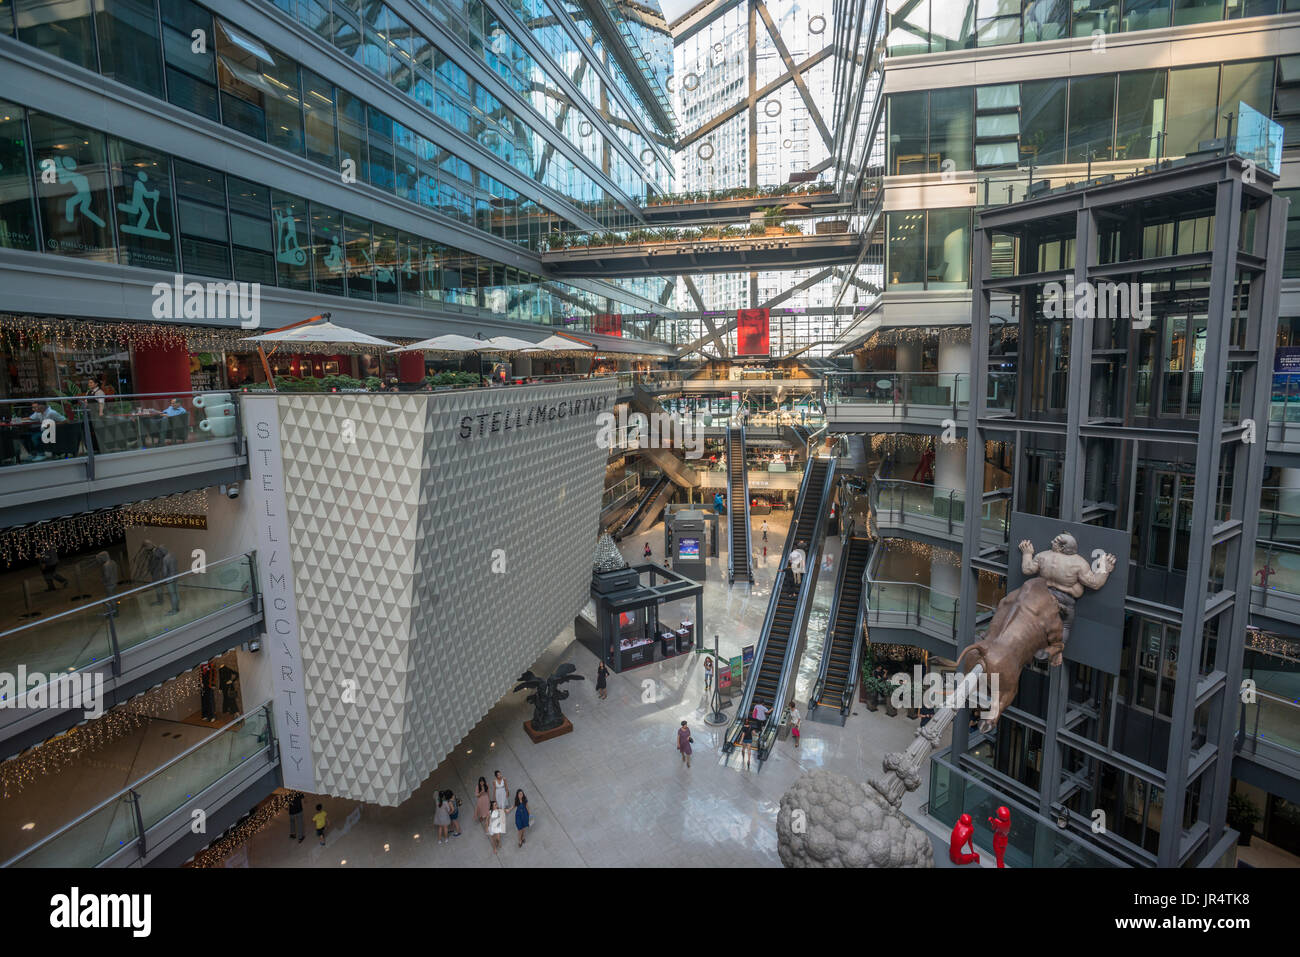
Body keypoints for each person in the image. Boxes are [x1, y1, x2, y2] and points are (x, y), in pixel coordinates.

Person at [145, 541, 181, 615]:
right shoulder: (173, 555)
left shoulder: (165, 559)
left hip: (169, 579)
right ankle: (177, 608)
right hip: (176, 576)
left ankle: (174, 610)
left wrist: (164, 577)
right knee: (176, 593)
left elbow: (164, 572)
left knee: (172, 594)